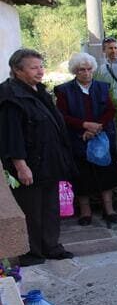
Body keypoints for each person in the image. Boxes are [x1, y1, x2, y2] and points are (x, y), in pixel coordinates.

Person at [0, 49, 76, 265]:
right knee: (32, 210)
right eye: (34, 67)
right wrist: (21, 165)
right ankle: (32, 252)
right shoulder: (10, 96)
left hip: (49, 161)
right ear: (17, 70)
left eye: (41, 66)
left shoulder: (39, 91)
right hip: (30, 164)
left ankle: (51, 246)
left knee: (50, 208)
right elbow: (11, 135)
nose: (40, 71)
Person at [54, 53, 117, 226]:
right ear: (75, 71)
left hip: (102, 137)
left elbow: (110, 110)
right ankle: (85, 212)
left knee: (106, 174)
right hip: (77, 138)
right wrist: (84, 125)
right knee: (82, 176)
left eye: (89, 69)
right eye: (81, 70)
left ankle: (109, 210)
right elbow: (61, 115)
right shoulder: (64, 90)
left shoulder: (102, 87)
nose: (86, 73)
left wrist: (96, 127)